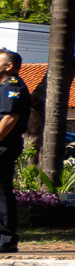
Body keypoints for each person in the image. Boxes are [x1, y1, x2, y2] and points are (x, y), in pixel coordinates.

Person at [0, 50, 29, 253]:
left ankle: (6, 239)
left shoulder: (13, 85)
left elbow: (10, 118)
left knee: (1, 192)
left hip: (4, 145)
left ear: (8, 66)